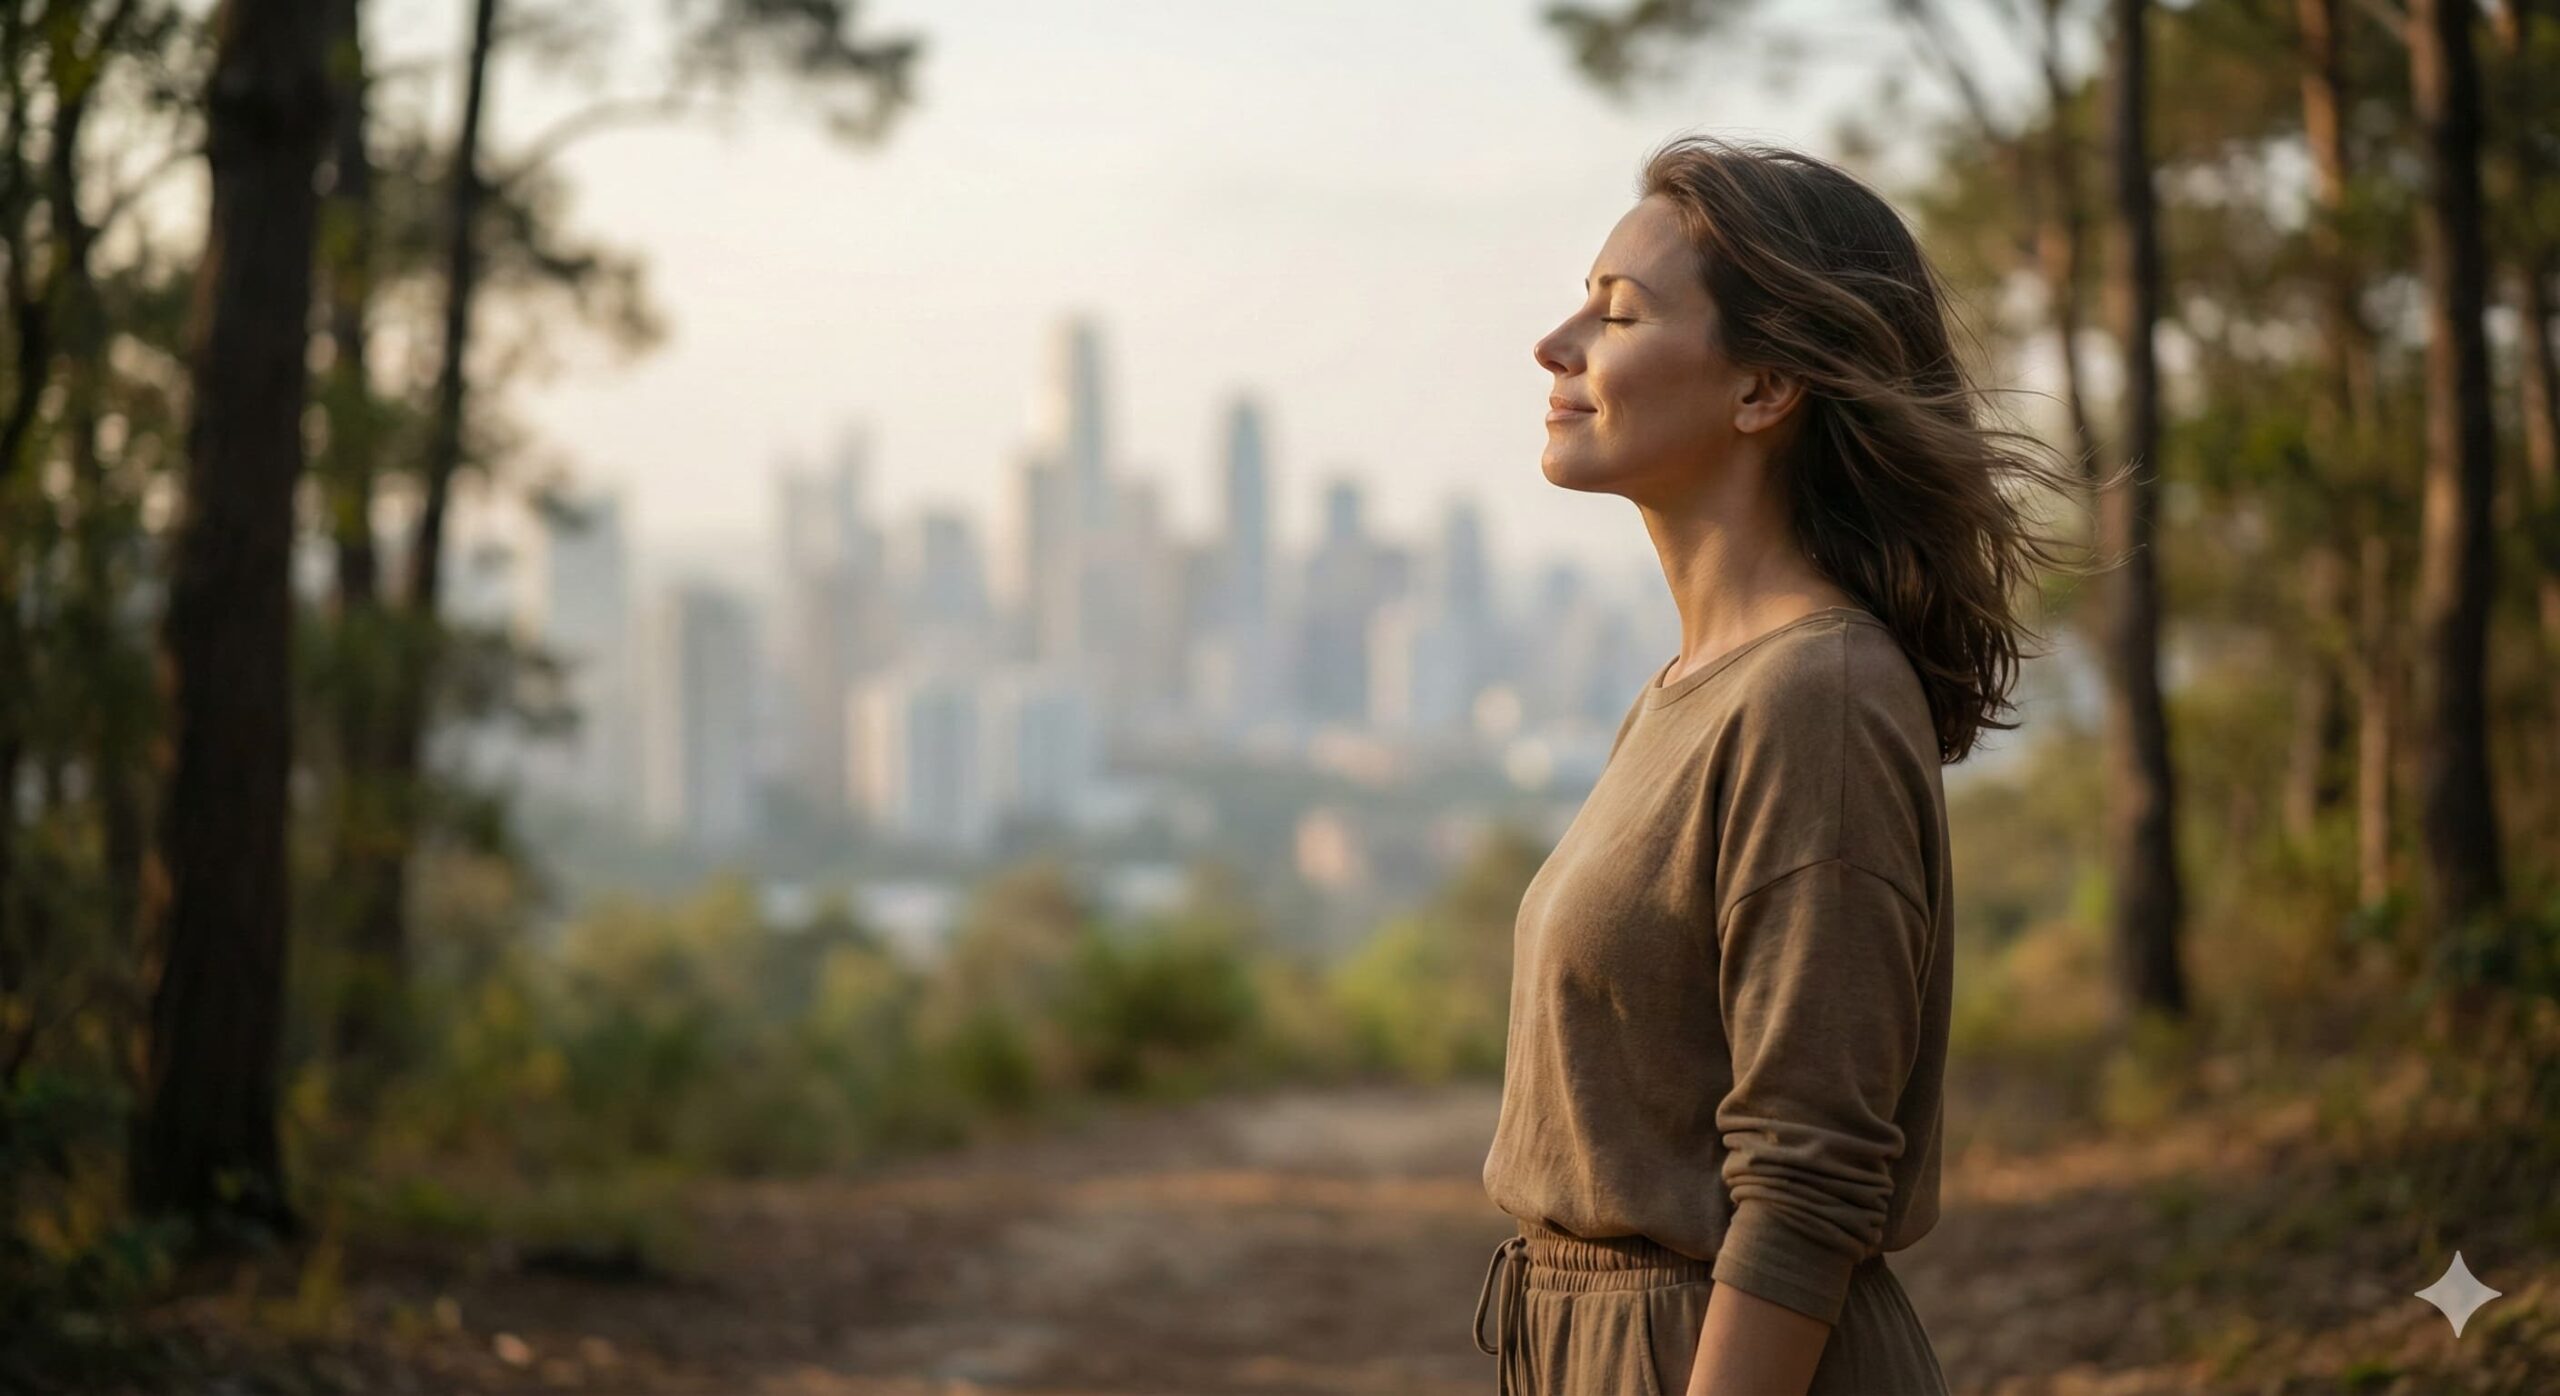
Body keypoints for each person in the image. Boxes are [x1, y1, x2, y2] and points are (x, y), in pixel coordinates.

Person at [1472, 134, 2095, 1395]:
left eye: (1619, 313)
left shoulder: (1819, 697)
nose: (1555, 346)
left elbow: (1808, 1178)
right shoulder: (1688, 693)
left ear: (1763, 388)